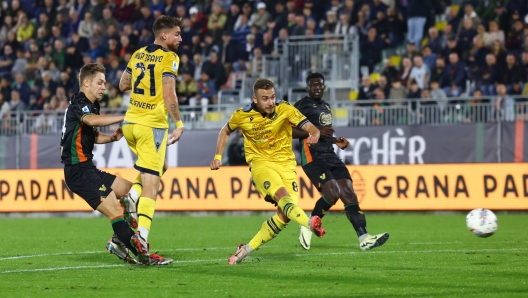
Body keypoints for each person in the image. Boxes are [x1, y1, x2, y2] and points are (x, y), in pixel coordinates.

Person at [60, 63, 171, 266]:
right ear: (86, 82)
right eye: (99, 82)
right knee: (117, 213)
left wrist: (111, 138)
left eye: (104, 83)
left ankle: (119, 241)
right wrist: (125, 116)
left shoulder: (91, 106)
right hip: (78, 172)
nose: (104, 87)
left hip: (88, 169)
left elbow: (92, 135)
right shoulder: (79, 104)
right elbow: (92, 121)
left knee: (131, 193)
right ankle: (144, 256)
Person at [210, 78, 325, 265]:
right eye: (265, 98)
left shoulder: (285, 109)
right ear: (255, 99)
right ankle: (309, 223)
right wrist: (217, 156)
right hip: (261, 163)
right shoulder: (242, 115)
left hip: (287, 165)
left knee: (285, 215)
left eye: (273, 97)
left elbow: (309, 126)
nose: (271, 102)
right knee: (283, 197)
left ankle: (245, 250)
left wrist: (315, 134)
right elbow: (225, 131)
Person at [293, 72, 389, 251]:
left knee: (348, 192)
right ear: (307, 88)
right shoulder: (301, 106)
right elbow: (288, 131)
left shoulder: (326, 107)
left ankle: (364, 237)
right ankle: (308, 224)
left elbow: (323, 133)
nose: (317, 88)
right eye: (313, 85)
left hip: (330, 154)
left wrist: (336, 141)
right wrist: (317, 132)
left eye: (319, 85)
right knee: (332, 193)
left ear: (324, 87)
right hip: (312, 157)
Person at [118, 15, 184, 265]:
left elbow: (123, 84)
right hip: (151, 127)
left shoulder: (137, 54)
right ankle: (142, 239)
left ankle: (131, 197)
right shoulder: (170, 58)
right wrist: (179, 123)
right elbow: (169, 94)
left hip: (130, 124)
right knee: (152, 185)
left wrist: (143, 86)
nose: (180, 38)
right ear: (163, 35)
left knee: (160, 167)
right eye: (177, 34)